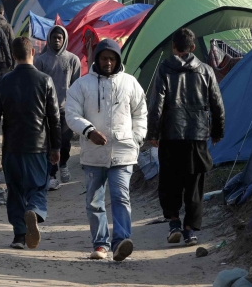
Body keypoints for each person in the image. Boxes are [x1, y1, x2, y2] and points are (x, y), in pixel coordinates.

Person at [66, 39, 147, 261]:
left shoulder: (130, 83)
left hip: (123, 152)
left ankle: (121, 242)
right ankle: (100, 244)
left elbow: (141, 112)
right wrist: (88, 131)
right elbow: (71, 113)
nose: (108, 62)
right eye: (104, 58)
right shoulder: (82, 85)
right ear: (97, 59)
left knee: (121, 197)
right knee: (94, 201)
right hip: (93, 154)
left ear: (118, 59)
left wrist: (137, 138)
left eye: (112, 58)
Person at [147, 28, 224, 247]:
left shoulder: (164, 69)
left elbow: (156, 105)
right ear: (192, 48)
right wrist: (217, 131)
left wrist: (153, 133)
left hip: (171, 135)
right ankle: (190, 231)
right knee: (195, 183)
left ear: (173, 47)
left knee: (169, 181)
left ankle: (173, 222)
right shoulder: (206, 70)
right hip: (197, 135)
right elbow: (217, 104)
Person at [0, 37, 61, 250]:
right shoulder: (45, 80)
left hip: (11, 146)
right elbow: (54, 118)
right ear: (33, 53)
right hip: (37, 146)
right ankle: (35, 210)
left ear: (13, 56)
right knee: (38, 187)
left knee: (15, 191)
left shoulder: (3, 81)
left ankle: (19, 236)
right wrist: (55, 147)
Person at [34, 25, 81, 190]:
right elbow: (37, 85)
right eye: (54, 37)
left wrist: (76, 107)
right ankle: (52, 174)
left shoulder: (73, 60)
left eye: (59, 38)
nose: (57, 40)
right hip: (46, 110)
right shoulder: (40, 60)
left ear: (64, 39)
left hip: (66, 108)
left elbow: (76, 85)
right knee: (50, 142)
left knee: (65, 141)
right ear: (49, 39)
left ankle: (63, 164)